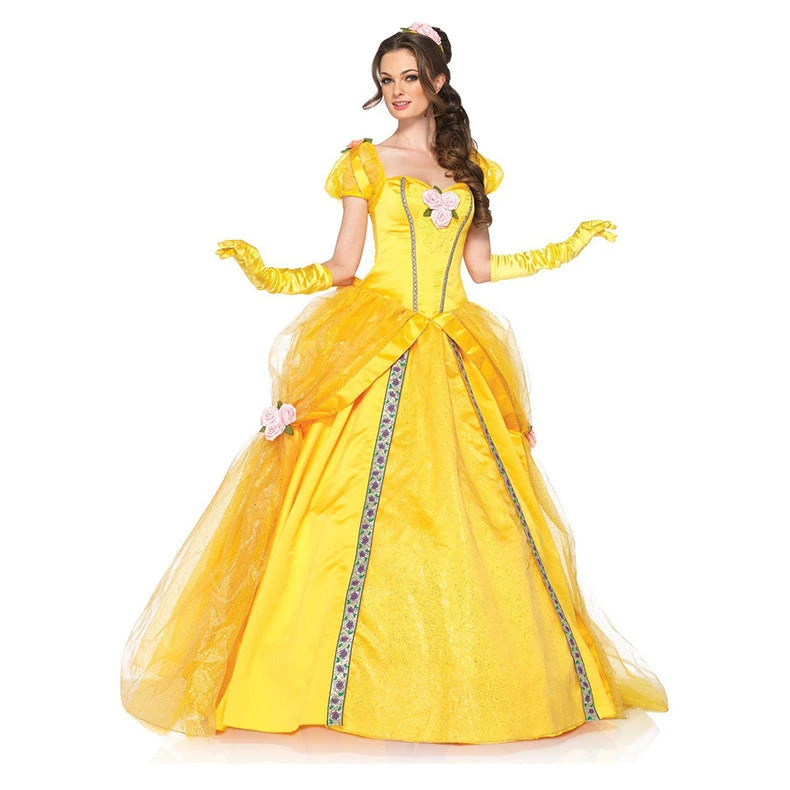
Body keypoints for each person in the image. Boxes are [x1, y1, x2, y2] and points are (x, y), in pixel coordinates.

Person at [120, 22, 668, 745]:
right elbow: (343, 266)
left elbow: (482, 269)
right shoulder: (365, 163)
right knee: (341, 510)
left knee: (477, 510)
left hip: (455, 348)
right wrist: (262, 272)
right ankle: (311, 679)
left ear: (438, 81)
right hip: (380, 345)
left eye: (409, 76)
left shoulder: (470, 167)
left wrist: (570, 246)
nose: (397, 91)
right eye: (386, 79)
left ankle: (485, 678)